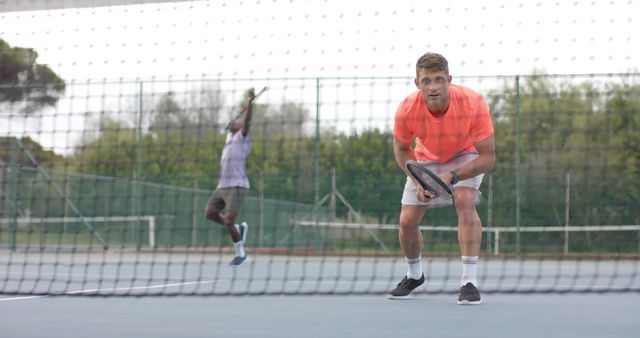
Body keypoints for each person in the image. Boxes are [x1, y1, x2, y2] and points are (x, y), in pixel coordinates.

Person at [389, 52, 496, 304]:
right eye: (426, 81)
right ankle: (414, 275)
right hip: (426, 158)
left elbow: (488, 157)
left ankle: (469, 281)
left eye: (438, 79)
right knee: (406, 221)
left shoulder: (473, 103)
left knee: (464, 200)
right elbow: (402, 150)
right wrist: (419, 181)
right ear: (417, 83)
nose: (433, 87)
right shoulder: (406, 109)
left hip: (466, 154)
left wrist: (452, 176)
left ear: (449, 79)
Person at [205, 88, 256, 267]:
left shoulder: (243, 137)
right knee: (210, 213)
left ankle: (241, 254)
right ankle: (237, 230)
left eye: (238, 121)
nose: (236, 121)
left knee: (228, 220)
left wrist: (250, 101)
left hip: (237, 186)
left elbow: (248, 119)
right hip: (222, 186)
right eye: (235, 120)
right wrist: (230, 123)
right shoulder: (229, 138)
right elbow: (230, 125)